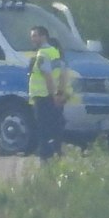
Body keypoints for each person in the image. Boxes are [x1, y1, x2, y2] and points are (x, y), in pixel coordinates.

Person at [27, 24, 68, 159]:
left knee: (43, 130)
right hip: (53, 97)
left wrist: (54, 95)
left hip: (43, 97)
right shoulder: (55, 52)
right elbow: (63, 74)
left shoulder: (43, 54)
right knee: (55, 128)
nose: (32, 39)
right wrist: (60, 93)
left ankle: (46, 160)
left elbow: (47, 76)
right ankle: (57, 153)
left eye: (35, 36)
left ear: (43, 36)